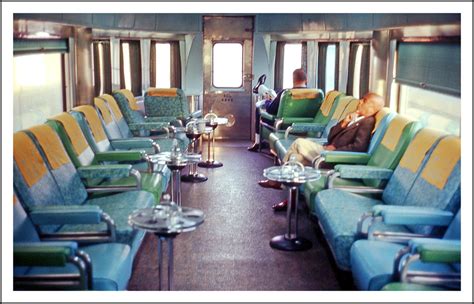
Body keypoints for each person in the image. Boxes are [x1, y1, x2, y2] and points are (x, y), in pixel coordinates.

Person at [258, 92, 385, 211]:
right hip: (327, 150)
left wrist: (335, 151)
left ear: (372, 107)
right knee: (295, 159)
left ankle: (278, 181)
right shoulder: (355, 117)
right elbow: (331, 135)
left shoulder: (367, 122)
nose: (360, 102)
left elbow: (359, 147)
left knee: (299, 142)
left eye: (364, 101)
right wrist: (345, 122)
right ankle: (291, 201)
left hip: (334, 158)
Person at [248, 68, 308, 152]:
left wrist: (268, 102)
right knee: (274, 94)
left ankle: (257, 142)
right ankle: (262, 88)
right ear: (306, 80)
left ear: (293, 79)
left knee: (259, 108)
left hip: (282, 124)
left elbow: (270, 110)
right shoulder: (315, 94)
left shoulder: (286, 93)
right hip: (306, 125)